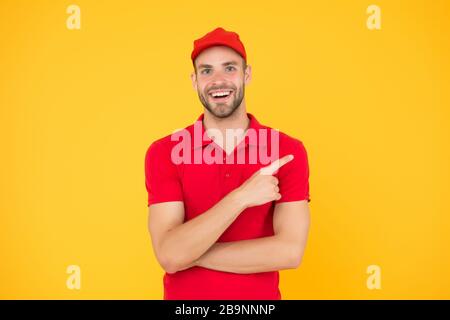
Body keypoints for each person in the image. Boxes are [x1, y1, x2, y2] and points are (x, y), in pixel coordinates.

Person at [145, 27, 311, 300]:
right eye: (206, 71)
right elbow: (170, 256)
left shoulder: (287, 151)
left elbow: (289, 252)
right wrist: (242, 197)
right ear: (194, 80)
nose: (218, 80)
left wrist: (190, 253)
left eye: (229, 68)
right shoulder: (164, 152)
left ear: (247, 74)